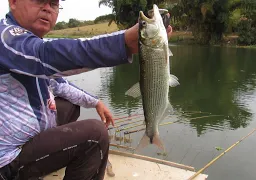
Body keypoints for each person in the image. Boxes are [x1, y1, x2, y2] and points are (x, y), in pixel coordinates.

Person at [0, 0, 173, 180]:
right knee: (95, 135)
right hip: (7, 161)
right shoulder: (5, 38)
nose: (47, 8)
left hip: (26, 140)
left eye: (53, 3)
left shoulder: (25, 44)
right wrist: (122, 42)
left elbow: (59, 84)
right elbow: (47, 55)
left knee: (69, 105)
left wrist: (96, 102)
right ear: (13, 2)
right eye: (40, 1)